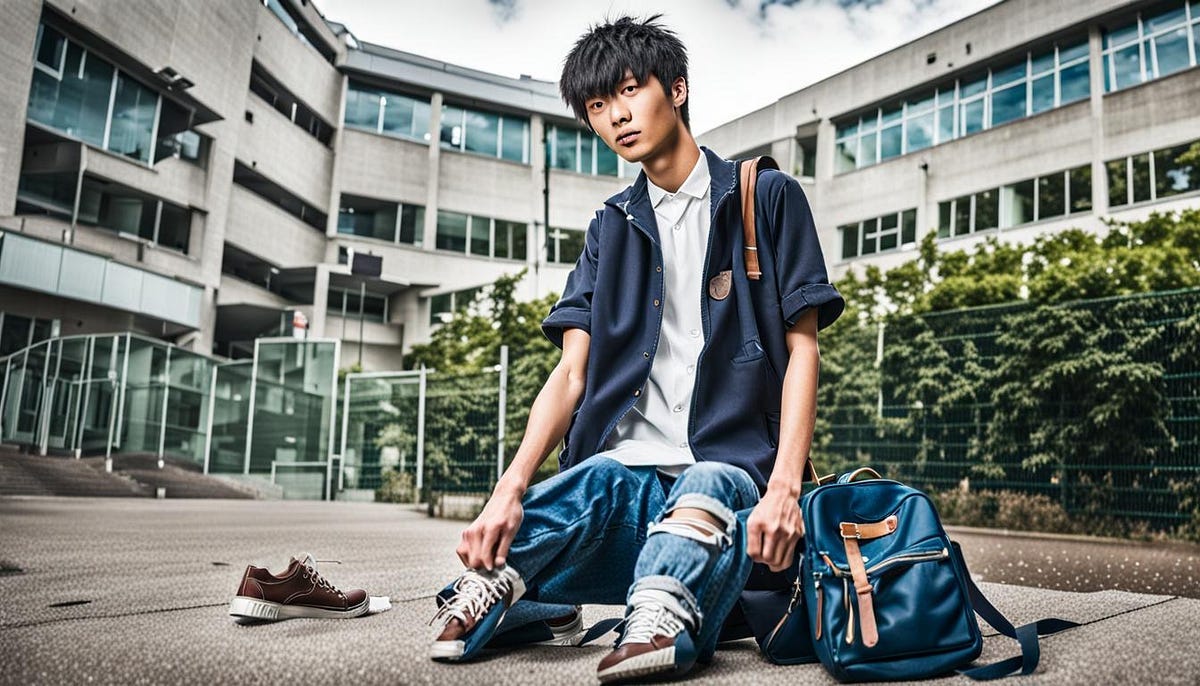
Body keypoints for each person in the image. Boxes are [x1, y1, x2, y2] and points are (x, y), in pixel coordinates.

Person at [429, 14, 844, 683]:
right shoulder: (609, 229)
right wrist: (509, 488)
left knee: (709, 482)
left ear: (675, 89)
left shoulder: (765, 198)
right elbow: (571, 373)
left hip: (731, 494)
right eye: (597, 106)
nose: (616, 116)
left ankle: (656, 612)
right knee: (594, 481)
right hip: (627, 495)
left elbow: (803, 350)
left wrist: (785, 491)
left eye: (628, 91)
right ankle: (509, 585)